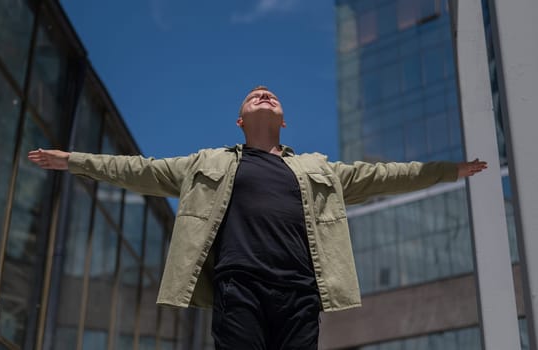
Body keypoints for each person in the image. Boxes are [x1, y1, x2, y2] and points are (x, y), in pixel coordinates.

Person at [28, 86, 487, 350]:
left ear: (284, 122)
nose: (264, 94)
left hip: (301, 291)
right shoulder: (206, 163)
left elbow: (387, 175)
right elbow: (139, 171)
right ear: (240, 121)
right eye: (254, 96)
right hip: (240, 286)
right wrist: (74, 160)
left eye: (270, 96)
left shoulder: (318, 169)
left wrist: (450, 172)